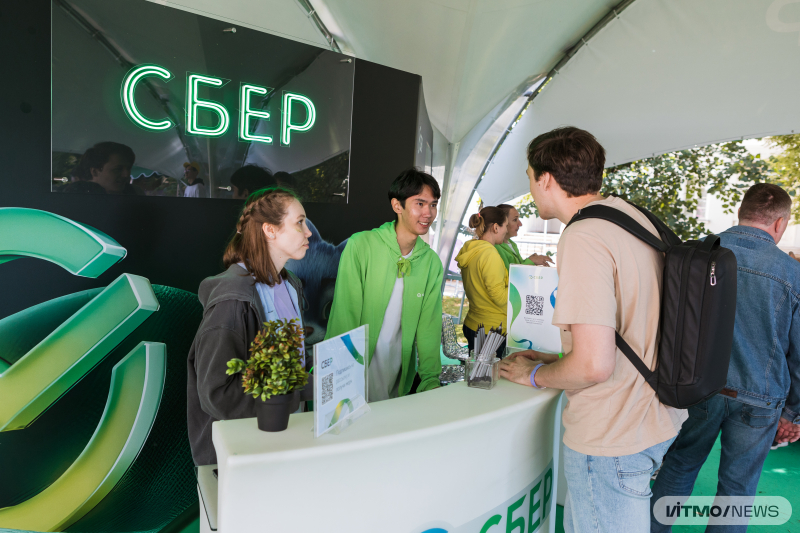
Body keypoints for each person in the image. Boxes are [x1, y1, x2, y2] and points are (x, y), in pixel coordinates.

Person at [498, 126, 686, 533]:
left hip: (612, 432)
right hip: (656, 414)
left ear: (545, 179)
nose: (530, 188)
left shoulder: (583, 236)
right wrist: (556, 358)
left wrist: (534, 374)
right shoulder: (630, 217)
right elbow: (633, 327)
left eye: (530, 177)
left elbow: (594, 365)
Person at [651, 183, 800, 531]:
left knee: (678, 467)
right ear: (779, 223)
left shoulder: (696, 255)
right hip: (761, 399)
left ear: (741, 213)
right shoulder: (793, 274)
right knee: (737, 490)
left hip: (698, 388)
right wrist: (792, 412)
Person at [187, 187, 312, 466]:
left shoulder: (291, 284)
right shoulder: (232, 301)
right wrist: (300, 392)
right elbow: (219, 395)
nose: (308, 232)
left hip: (284, 437)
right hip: (239, 454)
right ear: (270, 230)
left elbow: (292, 359)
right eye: (300, 222)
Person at [325, 168, 443, 402]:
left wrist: (431, 382)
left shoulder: (431, 262)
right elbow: (344, 314)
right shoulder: (362, 245)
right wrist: (338, 374)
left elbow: (429, 329)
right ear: (397, 206)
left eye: (433, 204)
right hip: (353, 373)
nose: (428, 213)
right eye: (420, 203)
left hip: (396, 381)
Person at [455, 206, 509, 356]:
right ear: (496, 228)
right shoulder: (490, 254)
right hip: (492, 330)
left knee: (479, 377)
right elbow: (499, 297)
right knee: (490, 378)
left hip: (474, 324)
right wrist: (520, 292)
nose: (506, 231)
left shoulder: (471, 250)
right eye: (505, 226)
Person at [495, 204, 554, 270]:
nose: (520, 224)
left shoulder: (512, 244)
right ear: (502, 223)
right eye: (515, 220)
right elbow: (510, 275)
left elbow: (519, 265)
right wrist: (531, 260)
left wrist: (532, 260)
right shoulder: (496, 247)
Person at [72, 141, 140, 195]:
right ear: (94, 171)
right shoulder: (74, 198)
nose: (126, 174)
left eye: (128, 168)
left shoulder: (135, 193)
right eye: (118, 169)